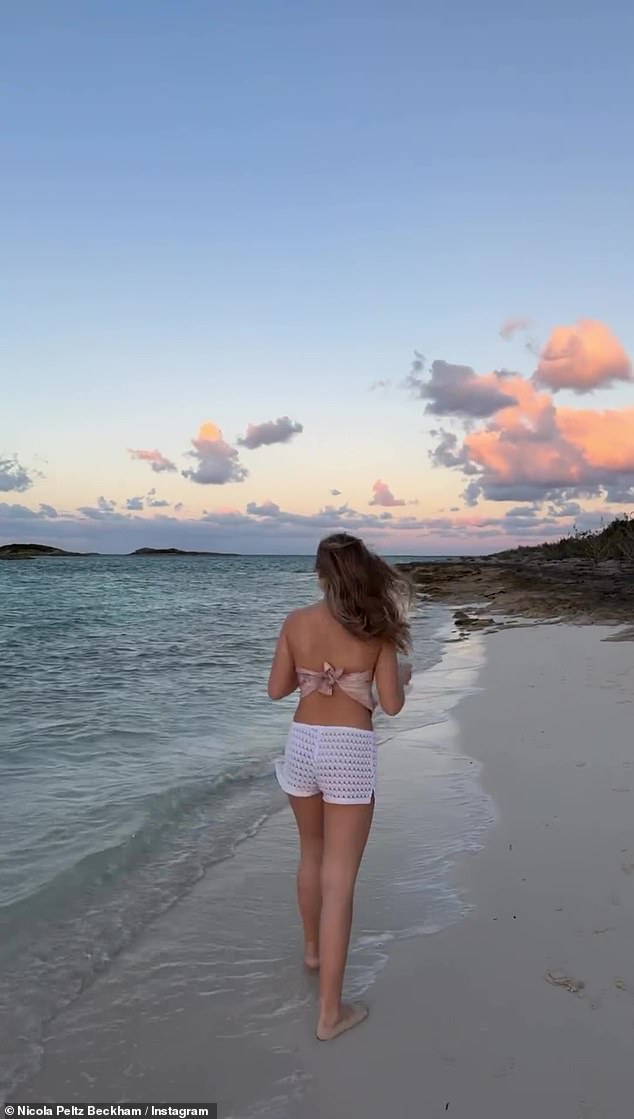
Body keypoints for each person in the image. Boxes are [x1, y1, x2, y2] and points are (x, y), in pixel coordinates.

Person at [267, 532, 413, 1041]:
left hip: (303, 742)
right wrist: (400, 676)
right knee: (341, 878)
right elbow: (390, 705)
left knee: (310, 852)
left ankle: (312, 952)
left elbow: (275, 689)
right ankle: (330, 1014)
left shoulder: (296, 622)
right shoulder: (379, 629)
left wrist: (312, 677)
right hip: (347, 751)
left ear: (320, 574)